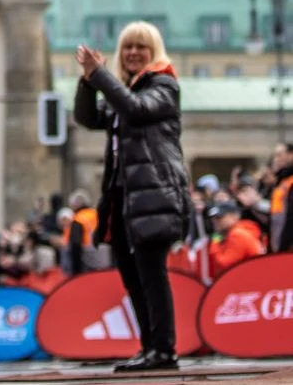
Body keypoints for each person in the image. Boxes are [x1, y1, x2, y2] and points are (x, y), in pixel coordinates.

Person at [73, 21, 188, 373]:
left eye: (141, 47)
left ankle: (164, 349)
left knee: (152, 274)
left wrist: (100, 76)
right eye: (128, 47)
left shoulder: (164, 85)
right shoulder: (126, 91)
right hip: (125, 199)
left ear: (154, 52)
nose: (133, 53)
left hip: (154, 195)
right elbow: (87, 117)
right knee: (133, 276)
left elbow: (136, 109)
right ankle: (150, 347)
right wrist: (87, 81)